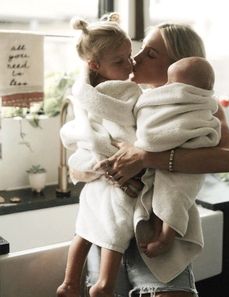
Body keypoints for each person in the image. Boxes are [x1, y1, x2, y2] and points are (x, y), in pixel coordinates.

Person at [87, 22, 229, 297]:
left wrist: (147, 157)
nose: (136, 58)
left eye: (151, 54)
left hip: (157, 235)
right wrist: (106, 168)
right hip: (109, 230)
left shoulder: (200, 108)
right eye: (141, 48)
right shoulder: (123, 102)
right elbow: (84, 152)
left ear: (178, 67)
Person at [57, 14, 143, 297]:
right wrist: (106, 153)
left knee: (85, 225)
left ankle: (70, 283)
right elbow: (85, 131)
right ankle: (103, 285)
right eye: (119, 61)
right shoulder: (109, 93)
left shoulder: (90, 90)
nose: (130, 65)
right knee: (114, 224)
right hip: (111, 170)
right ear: (94, 65)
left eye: (130, 56)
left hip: (104, 173)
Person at [134, 56, 220, 257]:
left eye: (172, 84)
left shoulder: (197, 106)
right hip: (169, 165)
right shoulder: (154, 102)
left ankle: (166, 237)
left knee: (174, 196)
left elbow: (154, 138)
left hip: (189, 163)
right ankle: (158, 232)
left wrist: (149, 152)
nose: (167, 87)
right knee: (161, 194)